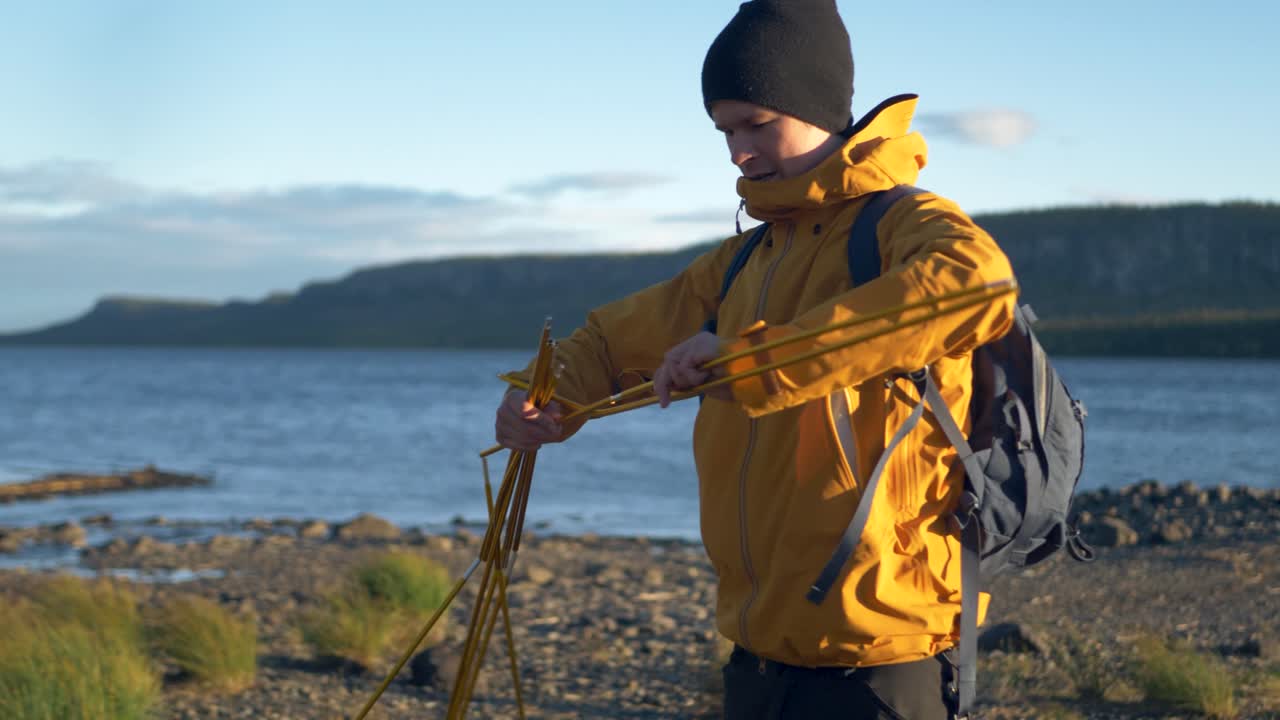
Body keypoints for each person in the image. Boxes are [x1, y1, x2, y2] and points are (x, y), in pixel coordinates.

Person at [495, 1, 1016, 717]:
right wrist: (541, 395)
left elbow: (975, 286)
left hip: (882, 661)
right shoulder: (744, 261)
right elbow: (610, 343)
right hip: (756, 658)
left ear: (821, 108)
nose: (738, 151)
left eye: (757, 124)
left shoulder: (904, 224)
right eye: (725, 131)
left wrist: (753, 362)